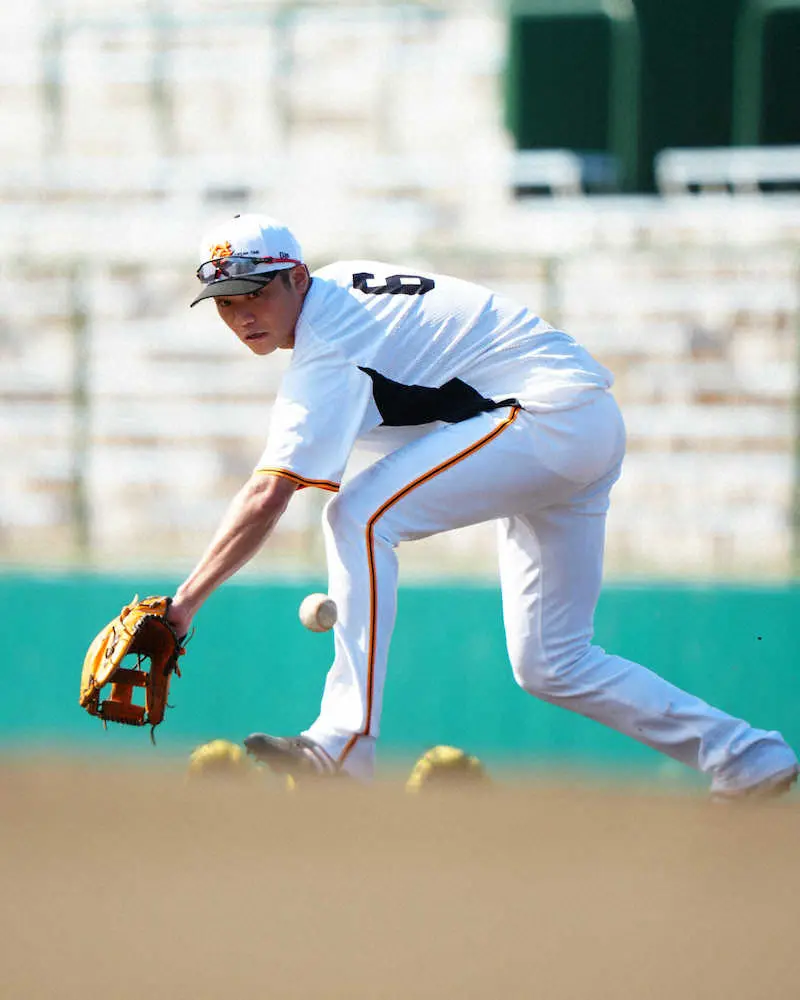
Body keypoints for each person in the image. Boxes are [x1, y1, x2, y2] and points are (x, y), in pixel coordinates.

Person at [166, 212, 797, 798]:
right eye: (226, 302)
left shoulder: (328, 334)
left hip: (546, 416)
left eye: (258, 292)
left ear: (297, 277)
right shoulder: (335, 299)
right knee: (553, 663)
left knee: (357, 517)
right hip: (577, 421)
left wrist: (182, 606)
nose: (243, 313)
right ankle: (748, 759)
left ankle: (344, 743)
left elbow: (269, 491)